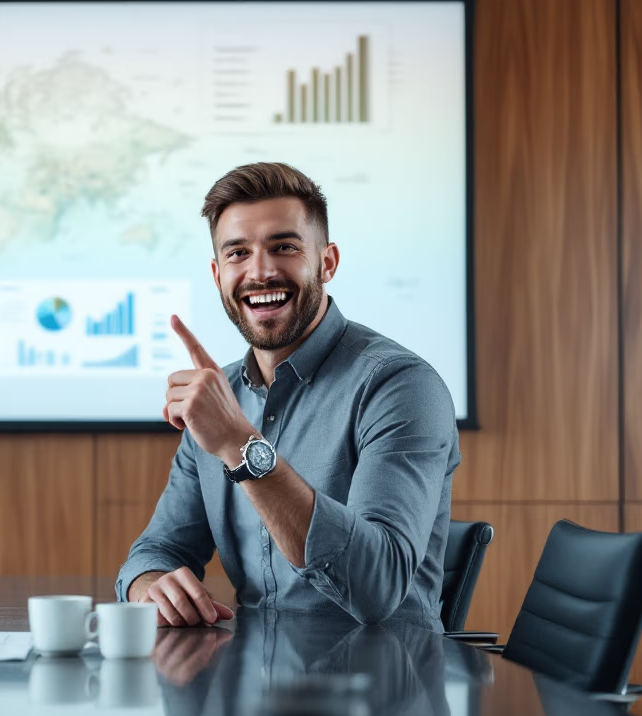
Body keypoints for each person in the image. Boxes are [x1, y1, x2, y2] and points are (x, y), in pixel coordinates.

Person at [116, 162, 460, 629]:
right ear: (218, 275)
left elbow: (377, 586)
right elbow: (158, 550)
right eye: (238, 253)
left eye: (284, 247)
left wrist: (241, 447)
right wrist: (150, 586)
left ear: (327, 262)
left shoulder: (400, 386)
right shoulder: (223, 396)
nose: (260, 272)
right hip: (257, 679)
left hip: (383, 682)